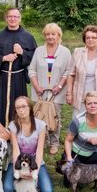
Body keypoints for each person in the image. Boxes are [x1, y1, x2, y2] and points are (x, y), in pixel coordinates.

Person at [0, 8, 37, 125]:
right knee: (2, 102)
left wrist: (22, 52)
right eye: (10, 16)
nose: (13, 19)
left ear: (20, 19)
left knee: (19, 103)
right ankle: (2, 128)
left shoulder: (28, 37)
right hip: (3, 76)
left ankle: (20, 128)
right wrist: (4, 58)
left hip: (19, 76)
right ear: (6, 18)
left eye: (15, 16)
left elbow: (34, 57)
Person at [28, 23, 71, 155]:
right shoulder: (39, 50)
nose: (50, 37)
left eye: (53, 34)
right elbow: (31, 69)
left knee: (54, 116)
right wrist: (36, 86)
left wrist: (59, 86)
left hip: (56, 92)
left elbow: (68, 71)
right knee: (39, 116)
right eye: (47, 34)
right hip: (40, 91)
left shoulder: (65, 52)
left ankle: (54, 142)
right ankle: (43, 140)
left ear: (59, 36)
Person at [3, 96, 53, 192]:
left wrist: (34, 172)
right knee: (8, 190)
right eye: (18, 108)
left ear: (30, 107)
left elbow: (39, 152)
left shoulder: (40, 125)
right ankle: (20, 181)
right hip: (18, 161)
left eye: (23, 106)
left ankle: (34, 183)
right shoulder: (13, 125)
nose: (21, 110)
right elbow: (16, 151)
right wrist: (18, 171)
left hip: (34, 162)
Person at [62, 91, 97, 186]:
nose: (92, 106)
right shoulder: (78, 120)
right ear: (85, 105)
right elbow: (68, 140)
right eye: (89, 103)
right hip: (76, 154)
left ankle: (95, 173)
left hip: (93, 154)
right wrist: (70, 159)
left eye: (95, 103)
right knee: (68, 184)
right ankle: (81, 172)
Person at [66, 25, 97, 118]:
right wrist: (69, 93)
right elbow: (71, 74)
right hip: (80, 95)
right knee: (78, 122)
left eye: (93, 37)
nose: (90, 40)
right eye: (87, 37)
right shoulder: (77, 52)